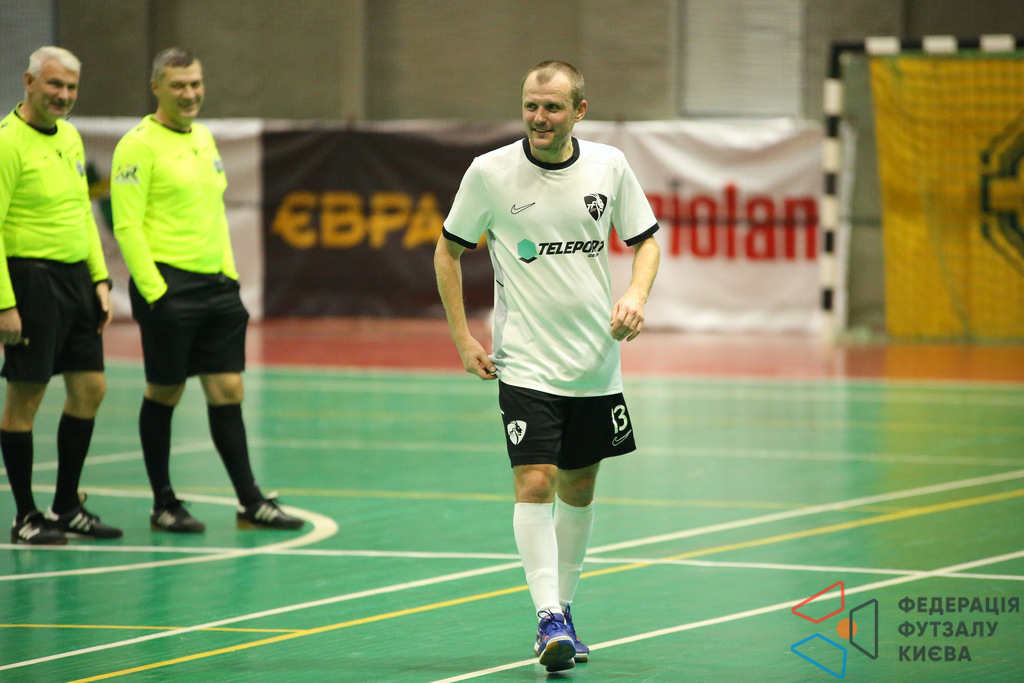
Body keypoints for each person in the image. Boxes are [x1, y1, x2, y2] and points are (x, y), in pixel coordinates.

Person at [434, 60, 660, 672]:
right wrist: (463, 338)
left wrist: (636, 295)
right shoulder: (489, 173)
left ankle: (565, 609)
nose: (539, 117)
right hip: (525, 361)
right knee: (535, 480)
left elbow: (645, 241)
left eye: (553, 107)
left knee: (578, 488)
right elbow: (448, 252)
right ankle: (547, 618)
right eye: (531, 105)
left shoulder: (609, 166)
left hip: (594, 363)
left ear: (578, 111)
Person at [110, 48, 302, 533]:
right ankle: (163, 503)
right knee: (165, 391)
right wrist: (156, 292)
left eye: (195, 83)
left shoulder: (203, 139)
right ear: (156, 88)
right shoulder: (137, 146)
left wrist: (229, 278)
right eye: (179, 85)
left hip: (215, 287)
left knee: (228, 389)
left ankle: (250, 502)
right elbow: (126, 225)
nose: (190, 93)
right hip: (167, 286)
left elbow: (214, 215)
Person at [0, 46, 121, 544]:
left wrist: (100, 279)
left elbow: (81, 212)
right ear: (29, 82)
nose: (64, 95)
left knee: (90, 388)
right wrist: (5, 303)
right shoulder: (7, 143)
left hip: (75, 281)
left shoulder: (70, 137)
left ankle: (67, 505)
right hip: (30, 281)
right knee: (26, 398)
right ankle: (26, 517)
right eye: (54, 84)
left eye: (71, 87)